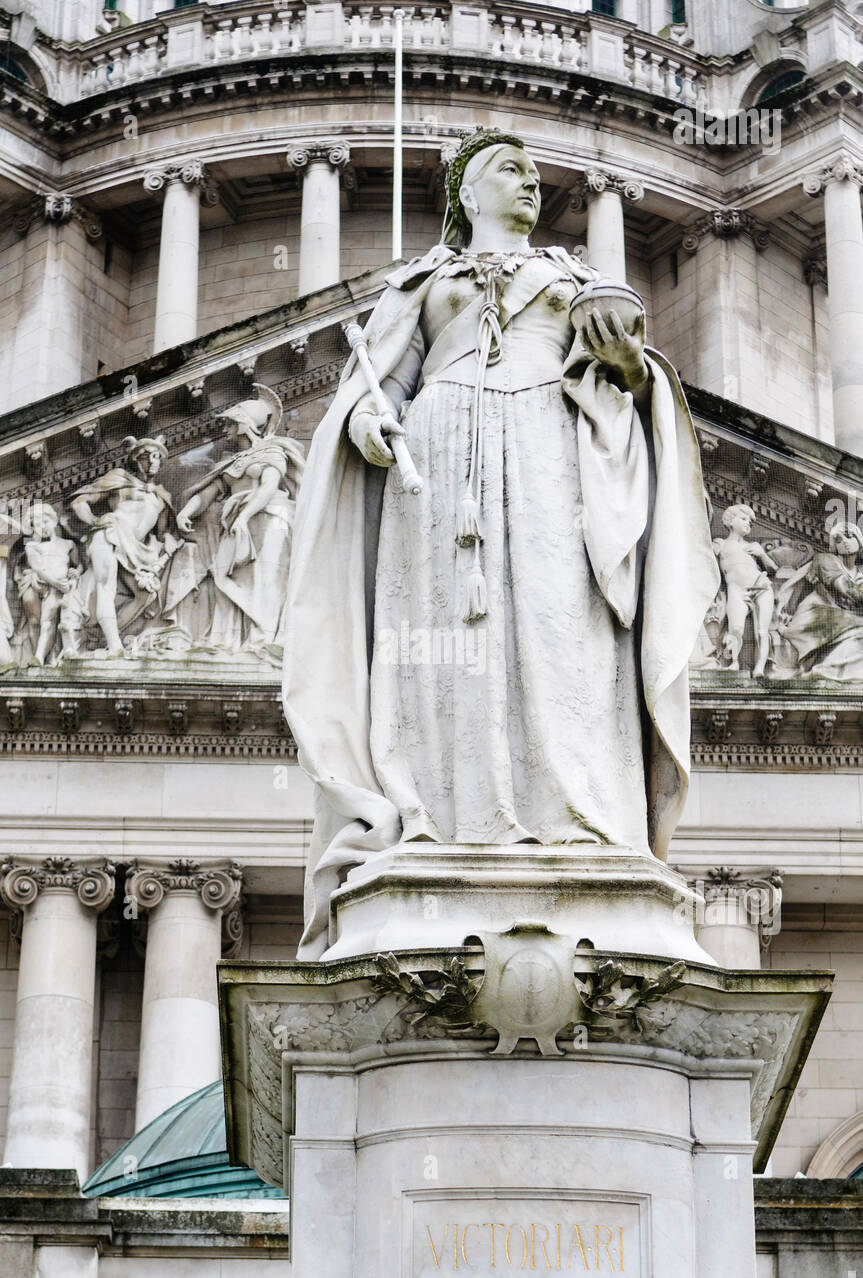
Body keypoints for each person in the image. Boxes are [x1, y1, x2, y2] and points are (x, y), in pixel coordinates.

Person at [283, 126, 719, 957]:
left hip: (554, 457)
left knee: (564, 626)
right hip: (442, 463)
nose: (528, 184)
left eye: (532, 173)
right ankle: (442, 812)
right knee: (445, 638)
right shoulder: (421, 283)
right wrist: (370, 421)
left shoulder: (575, 277)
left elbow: (631, 375)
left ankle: (580, 815)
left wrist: (626, 358)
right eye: (506, 171)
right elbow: (380, 383)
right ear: (465, 195)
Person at [175, 385, 303, 662]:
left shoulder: (273, 451)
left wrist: (245, 516)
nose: (227, 430)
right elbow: (210, 492)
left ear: (245, 425)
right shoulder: (234, 461)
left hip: (269, 520)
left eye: (231, 424)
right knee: (223, 575)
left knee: (265, 578)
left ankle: (263, 639)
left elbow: (269, 486)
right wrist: (185, 511)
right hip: (235, 521)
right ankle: (229, 639)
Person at [67, 435, 181, 657]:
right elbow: (79, 501)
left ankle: (103, 638)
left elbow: (162, 531)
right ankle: (114, 646)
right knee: (106, 586)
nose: (154, 462)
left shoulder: (161, 495)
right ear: (137, 458)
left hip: (137, 550)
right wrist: (95, 521)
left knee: (146, 595)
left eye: (158, 457)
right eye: (149, 456)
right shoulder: (119, 479)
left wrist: (167, 537)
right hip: (109, 535)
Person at [778, 522, 863, 679]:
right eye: (838, 540)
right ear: (834, 546)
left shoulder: (860, 572)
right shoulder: (825, 560)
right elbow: (848, 590)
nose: (844, 541)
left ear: (859, 539)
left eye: (850, 536)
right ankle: (827, 669)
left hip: (844, 617)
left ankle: (835, 669)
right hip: (818, 613)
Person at [712, 503, 778, 677]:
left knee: (762, 631)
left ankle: (759, 669)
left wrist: (762, 554)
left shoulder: (754, 545)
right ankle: (734, 662)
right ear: (730, 521)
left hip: (761, 585)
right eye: (743, 518)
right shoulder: (720, 544)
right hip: (736, 588)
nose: (748, 523)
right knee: (736, 627)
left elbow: (774, 570)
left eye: (750, 521)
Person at [14, 502, 81, 665]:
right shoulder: (32, 546)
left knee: (48, 621)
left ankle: (38, 657)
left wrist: (77, 571)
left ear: (54, 521)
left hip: (56, 588)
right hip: (36, 584)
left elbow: (78, 564)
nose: (42, 527)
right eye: (37, 524)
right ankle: (39, 658)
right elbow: (37, 567)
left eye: (45, 522)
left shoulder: (68, 544)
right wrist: (58, 583)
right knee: (35, 622)